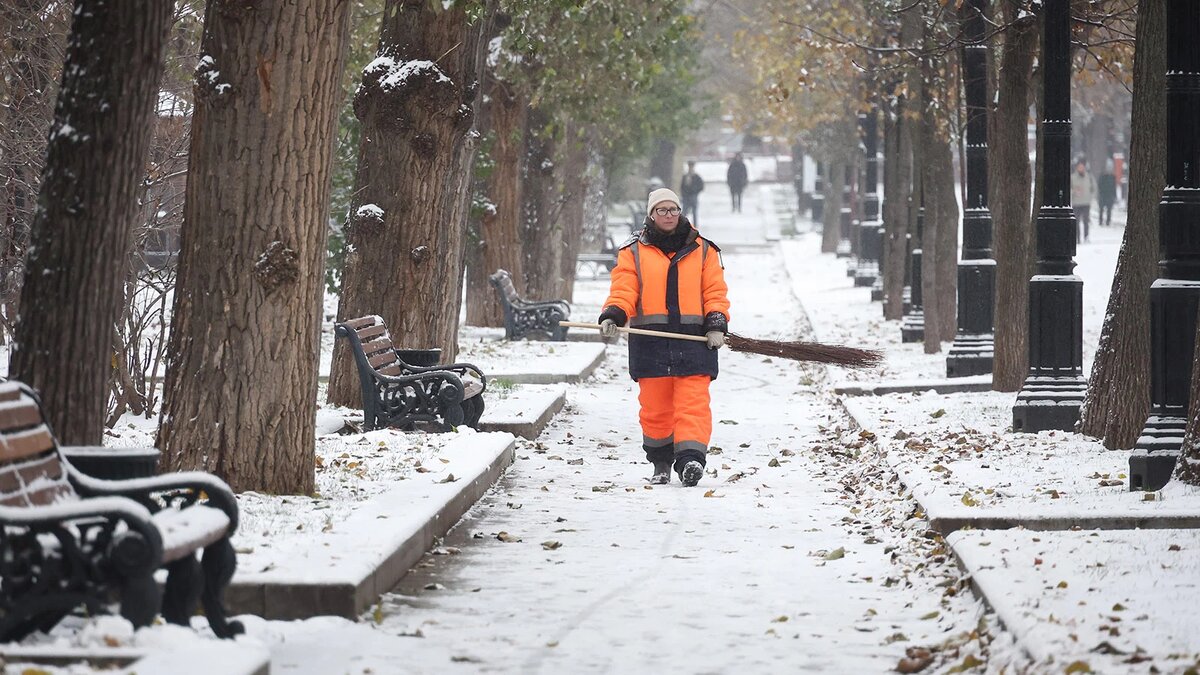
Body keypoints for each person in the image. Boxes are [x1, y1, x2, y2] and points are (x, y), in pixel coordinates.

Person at [597, 187, 730, 487]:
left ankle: (691, 460)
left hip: (694, 339)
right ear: (651, 214)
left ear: (680, 212)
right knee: (655, 407)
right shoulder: (632, 251)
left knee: (693, 402)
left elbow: (715, 292)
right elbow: (624, 288)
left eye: (673, 210)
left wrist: (716, 322)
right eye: (662, 210)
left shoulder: (704, 250)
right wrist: (613, 315)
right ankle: (661, 462)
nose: (668, 215)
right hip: (650, 340)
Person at [1070, 159, 1097, 243]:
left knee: (1086, 221)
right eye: (1079, 167)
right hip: (1076, 203)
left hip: (1086, 202)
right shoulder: (1072, 177)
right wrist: (1074, 192)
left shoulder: (1089, 177)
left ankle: (1086, 237)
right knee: (1076, 221)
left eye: (1082, 167)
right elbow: (1069, 189)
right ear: (1077, 168)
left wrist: (1091, 197)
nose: (1081, 168)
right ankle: (1077, 238)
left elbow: (1094, 188)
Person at [679, 160, 704, 226]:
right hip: (686, 196)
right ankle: (683, 224)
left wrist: (695, 191)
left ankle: (695, 225)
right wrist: (683, 194)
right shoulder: (685, 176)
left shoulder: (696, 177)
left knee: (694, 212)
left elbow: (701, 186)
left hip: (693, 196)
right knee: (685, 211)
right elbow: (682, 186)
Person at [1097, 159, 1116, 227]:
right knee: (1101, 209)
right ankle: (1100, 221)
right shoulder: (1101, 176)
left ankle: (1108, 221)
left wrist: (1114, 195)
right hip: (1103, 195)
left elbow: (1114, 187)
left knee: (1109, 210)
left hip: (1109, 196)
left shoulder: (1113, 177)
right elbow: (1099, 186)